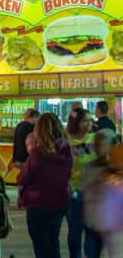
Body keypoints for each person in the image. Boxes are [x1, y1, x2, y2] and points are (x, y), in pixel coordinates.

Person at [18, 112, 73, 258]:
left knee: (41, 246)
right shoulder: (66, 150)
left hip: (38, 204)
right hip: (60, 202)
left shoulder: (38, 154)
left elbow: (23, 178)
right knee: (53, 242)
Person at [66, 107, 96, 258]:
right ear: (75, 122)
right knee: (75, 233)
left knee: (93, 234)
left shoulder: (96, 139)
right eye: (85, 121)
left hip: (94, 194)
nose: (89, 124)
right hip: (75, 193)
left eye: (90, 120)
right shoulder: (66, 142)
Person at [82, 129, 116, 258]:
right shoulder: (89, 168)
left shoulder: (116, 169)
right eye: (95, 144)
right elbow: (86, 193)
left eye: (100, 144)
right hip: (92, 223)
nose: (96, 148)